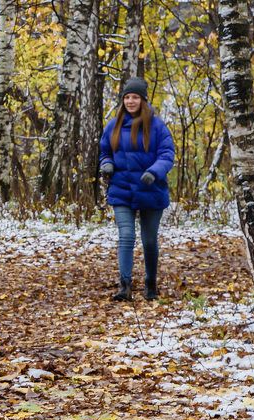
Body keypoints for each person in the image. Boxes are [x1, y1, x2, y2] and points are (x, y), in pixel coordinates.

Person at [99, 77, 175, 301]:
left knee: (149, 240)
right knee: (126, 236)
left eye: (135, 97)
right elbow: (105, 151)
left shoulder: (157, 126)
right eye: (127, 97)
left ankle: (150, 283)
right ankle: (125, 286)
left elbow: (167, 154)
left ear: (143, 100)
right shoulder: (113, 126)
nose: (130, 101)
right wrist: (106, 163)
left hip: (151, 189)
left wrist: (154, 172)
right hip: (121, 189)